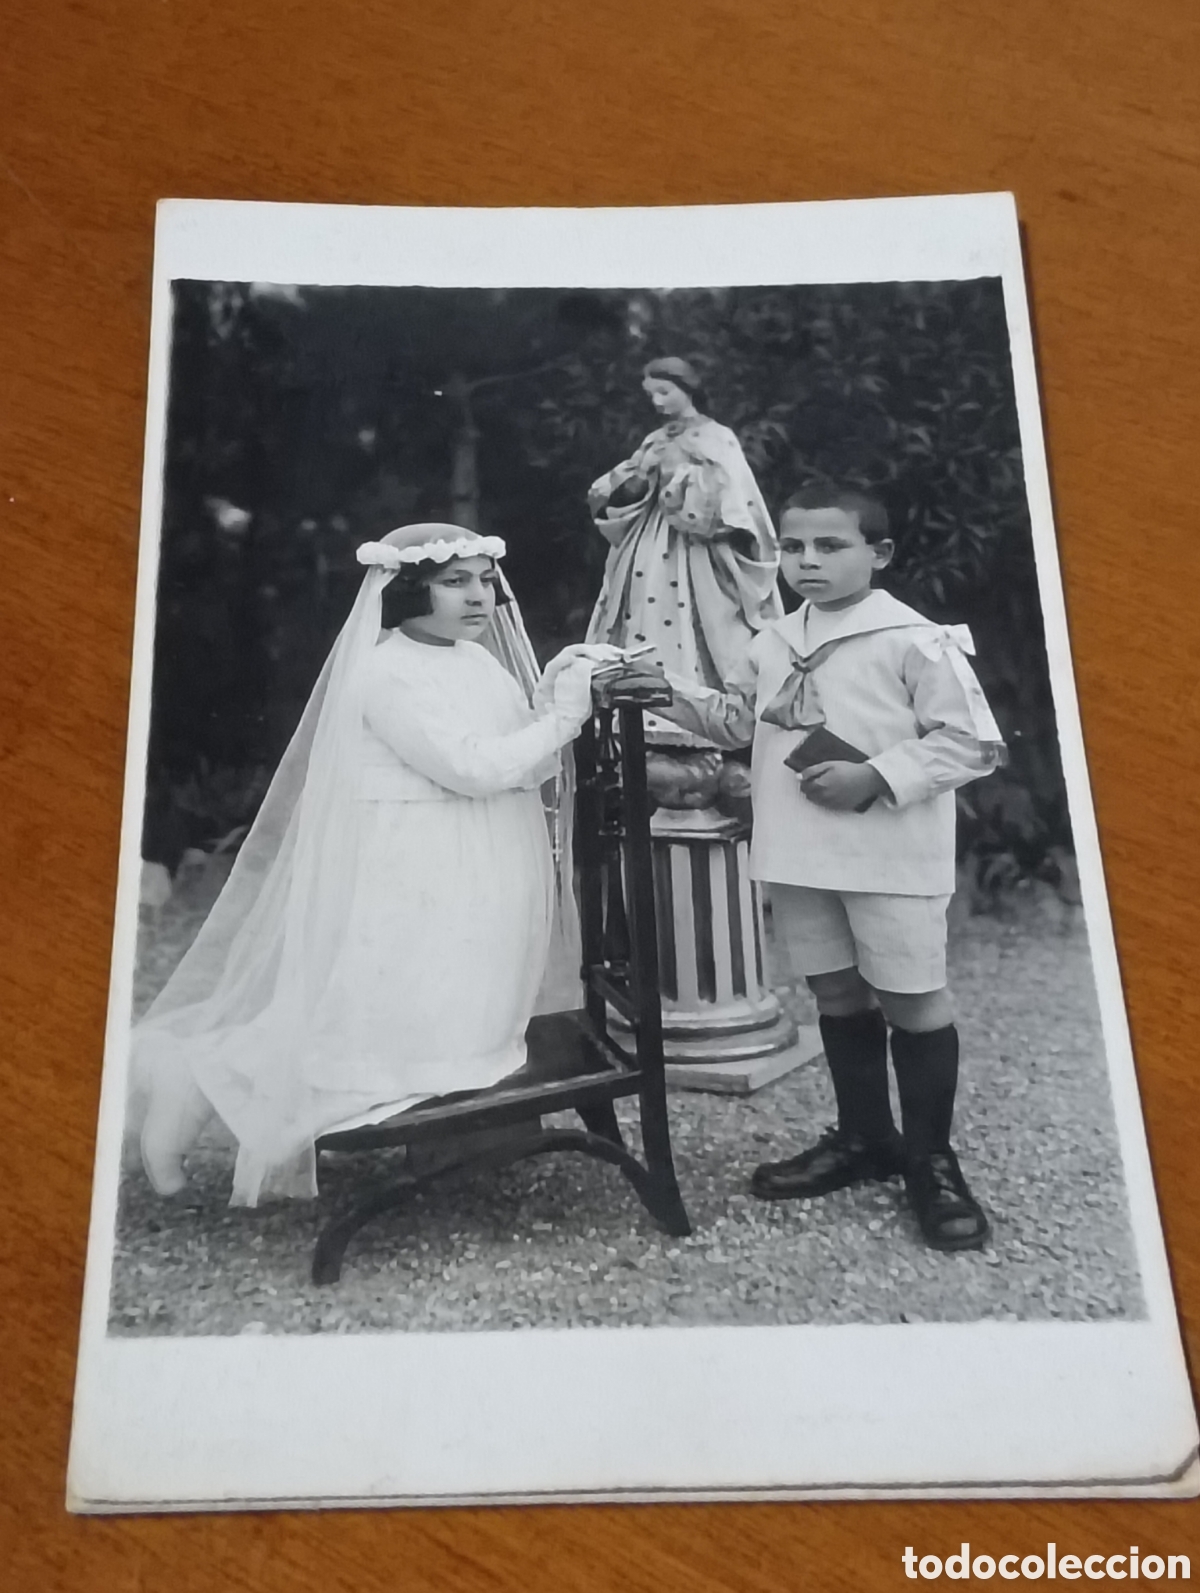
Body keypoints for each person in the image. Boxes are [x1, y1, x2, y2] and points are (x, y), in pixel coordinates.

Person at [135, 522, 615, 1208]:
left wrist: (552, 699)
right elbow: (472, 767)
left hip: (476, 866)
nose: (479, 596)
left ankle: (451, 1125)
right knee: (368, 1013)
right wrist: (564, 719)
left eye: (484, 580)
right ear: (407, 590)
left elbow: (524, 762)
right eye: (456, 582)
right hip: (416, 865)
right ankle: (195, 1079)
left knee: (446, 1013)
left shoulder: (474, 659)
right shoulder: (382, 671)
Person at [648, 487, 1006, 1251]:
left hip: (888, 851)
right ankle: (866, 1137)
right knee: (836, 992)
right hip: (800, 846)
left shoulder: (914, 638)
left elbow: (971, 742)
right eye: (795, 547)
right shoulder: (774, 640)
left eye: (830, 546)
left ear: (878, 554)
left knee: (912, 996)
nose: (808, 560)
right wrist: (663, 692)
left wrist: (876, 774)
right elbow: (743, 722)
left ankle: (931, 1159)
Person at [585, 356, 782, 694]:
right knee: (640, 608)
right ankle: (639, 704)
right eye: (652, 395)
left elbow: (730, 497)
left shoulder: (717, 437)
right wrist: (634, 479)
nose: (658, 402)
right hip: (649, 541)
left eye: (664, 391)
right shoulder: (656, 438)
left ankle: (705, 709)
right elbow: (628, 487)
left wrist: (680, 477)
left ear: (686, 389)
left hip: (700, 551)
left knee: (706, 622)